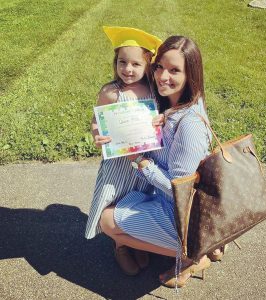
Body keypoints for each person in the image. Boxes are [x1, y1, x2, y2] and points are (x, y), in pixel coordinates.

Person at [100, 35, 218, 288]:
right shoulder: (173, 106)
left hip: (179, 214)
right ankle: (205, 244)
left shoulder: (190, 124)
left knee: (107, 221)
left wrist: (143, 163)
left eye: (174, 70)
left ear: (191, 75)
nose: (163, 76)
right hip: (168, 202)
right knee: (125, 200)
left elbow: (181, 191)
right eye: (159, 67)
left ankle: (191, 255)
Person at [85, 26, 162, 275]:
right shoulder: (111, 92)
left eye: (135, 64)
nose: (128, 69)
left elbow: (159, 119)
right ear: (115, 62)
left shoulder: (153, 91)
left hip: (142, 163)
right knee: (114, 200)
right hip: (117, 165)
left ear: (148, 65)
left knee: (139, 201)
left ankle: (135, 239)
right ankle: (120, 246)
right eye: (122, 62)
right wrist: (97, 134)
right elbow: (96, 121)